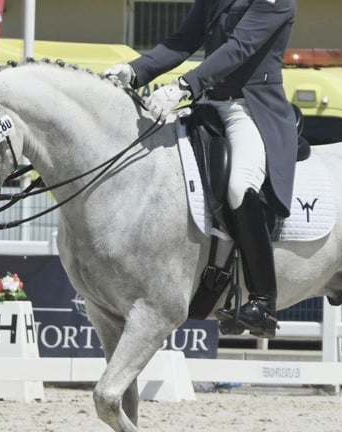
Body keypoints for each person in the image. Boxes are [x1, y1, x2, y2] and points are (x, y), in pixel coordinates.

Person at [104, 0, 298, 339]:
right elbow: (182, 41)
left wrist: (182, 86)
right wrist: (135, 71)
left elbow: (239, 48)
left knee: (240, 186)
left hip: (248, 109)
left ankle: (264, 300)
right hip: (208, 106)